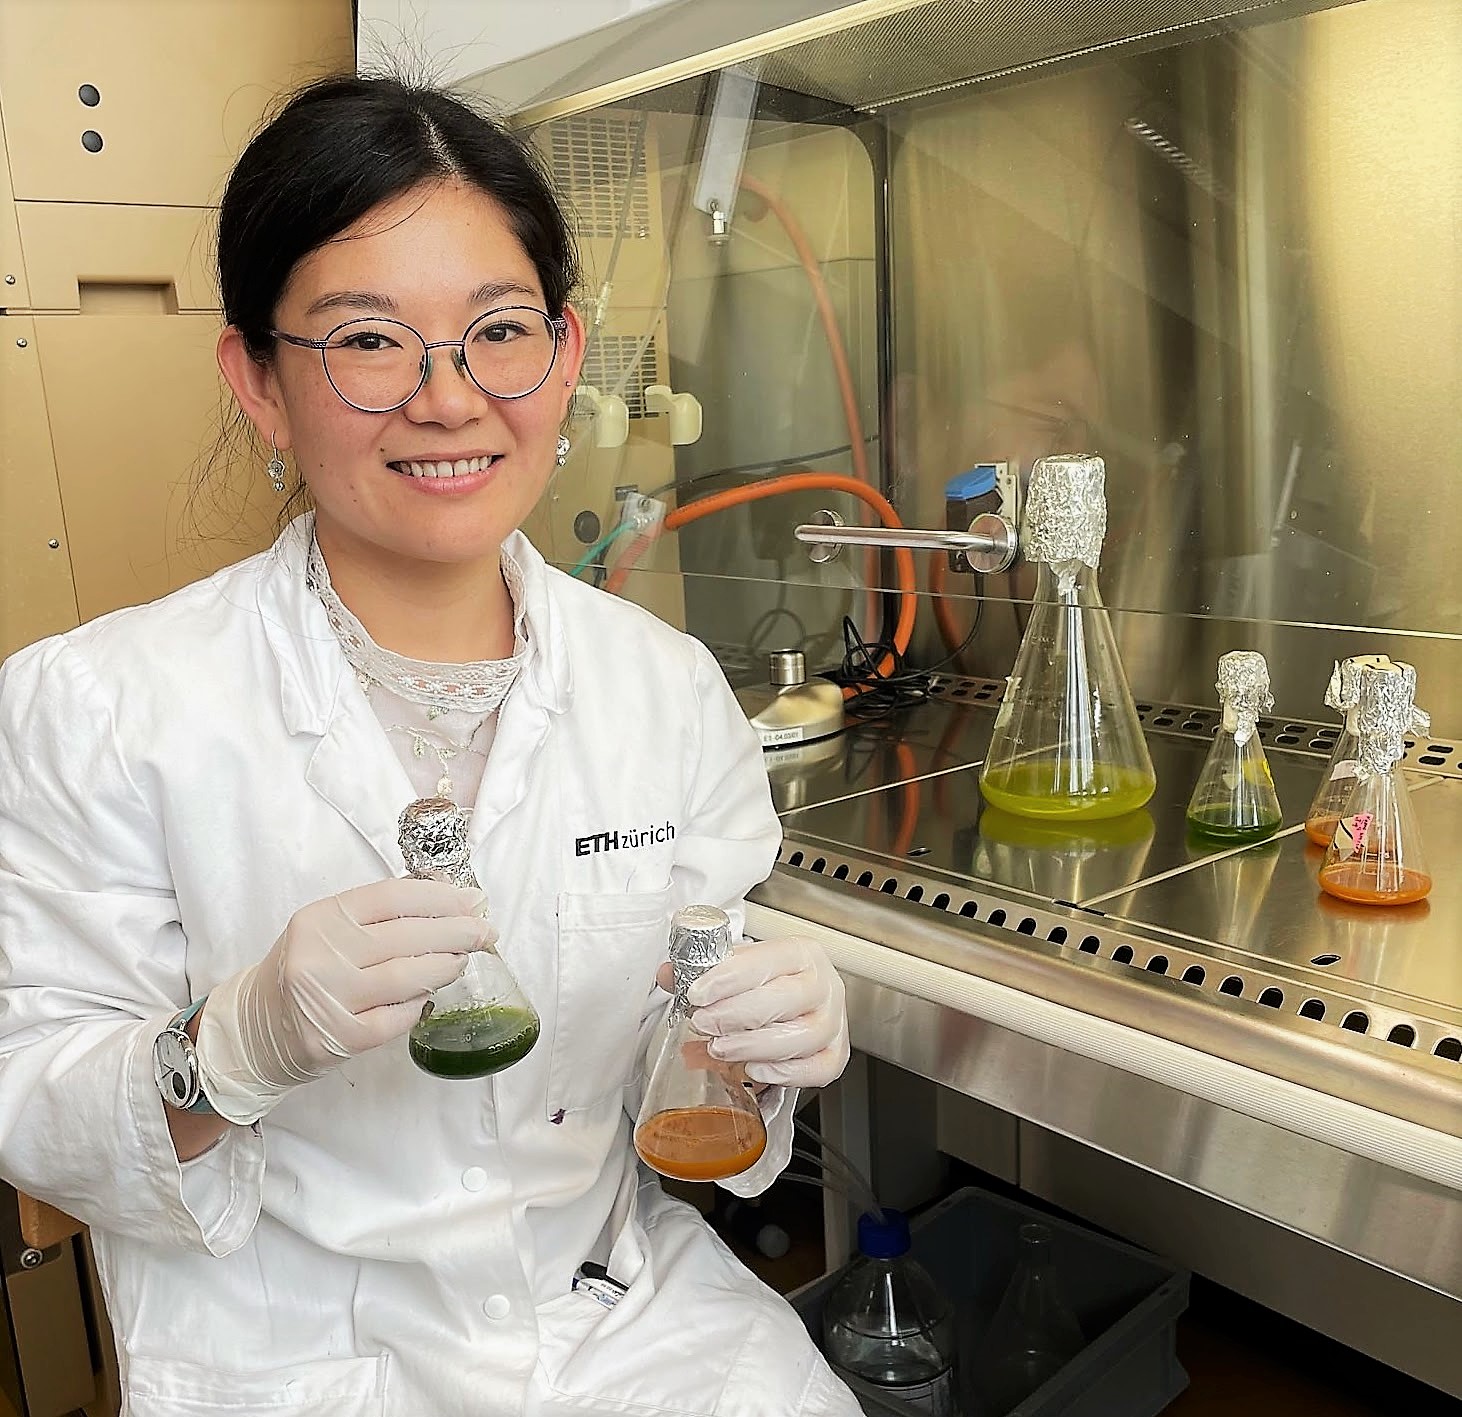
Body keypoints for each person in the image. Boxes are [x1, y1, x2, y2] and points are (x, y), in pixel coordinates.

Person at [0, 76, 857, 1416]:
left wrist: (744, 1041)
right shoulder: (98, 707)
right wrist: (228, 1045)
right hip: (286, 1353)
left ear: (565, 357)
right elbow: (31, 1101)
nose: (449, 399)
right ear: (260, 383)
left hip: (614, 1319)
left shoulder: (665, 691)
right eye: (367, 342)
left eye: (497, 331)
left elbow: (674, 1097)